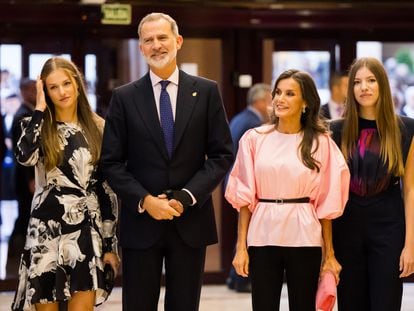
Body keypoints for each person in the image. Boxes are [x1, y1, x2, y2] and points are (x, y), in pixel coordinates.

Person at [100, 12, 234, 311]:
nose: (156, 45)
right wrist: (146, 201)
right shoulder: (124, 97)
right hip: (141, 222)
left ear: (178, 41)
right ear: (140, 48)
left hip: (190, 220)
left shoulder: (207, 91)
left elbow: (222, 154)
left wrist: (187, 197)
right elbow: (111, 162)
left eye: (162, 37)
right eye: (148, 40)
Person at [225, 69, 350, 311]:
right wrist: (241, 247)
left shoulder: (321, 142)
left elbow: (327, 203)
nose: (280, 99)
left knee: (303, 306)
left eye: (290, 93)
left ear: (305, 102)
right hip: (263, 233)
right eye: (278, 93)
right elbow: (244, 197)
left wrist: (330, 254)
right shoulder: (254, 139)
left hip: (305, 234)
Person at [11, 57, 120, 311]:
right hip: (45, 232)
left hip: (86, 230)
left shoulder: (99, 128)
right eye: (52, 87)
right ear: (44, 91)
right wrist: (39, 109)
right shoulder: (33, 126)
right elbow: (25, 157)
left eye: (66, 84)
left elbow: (107, 191)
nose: (61, 92)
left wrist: (109, 245)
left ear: (77, 85)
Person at [330, 57, 414, 311]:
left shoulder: (406, 129)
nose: (363, 87)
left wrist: (410, 245)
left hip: (389, 226)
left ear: (383, 85)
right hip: (346, 225)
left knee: (385, 303)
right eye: (357, 82)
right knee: (351, 302)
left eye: (371, 80)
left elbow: (410, 190)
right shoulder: (335, 130)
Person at [226, 82, 272, 293]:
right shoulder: (253, 124)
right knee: (248, 234)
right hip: (246, 185)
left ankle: (234, 278)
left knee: (243, 232)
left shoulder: (239, 118)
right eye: (270, 99)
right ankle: (241, 278)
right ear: (261, 101)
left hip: (236, 181)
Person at [6, 78, 36, 278]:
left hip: (27, 178)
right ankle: (15, 258)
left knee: (25, 216)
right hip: (25, 178)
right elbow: (23, 153)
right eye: (32, 90)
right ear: (24, 91)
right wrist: (30, 179)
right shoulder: (22, 116)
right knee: (24, 216)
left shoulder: (28, 113)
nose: (36, 93)